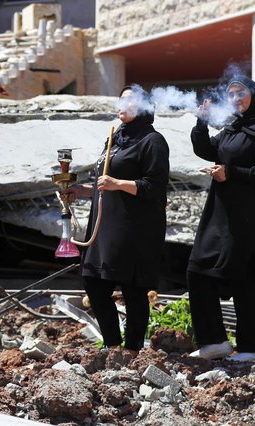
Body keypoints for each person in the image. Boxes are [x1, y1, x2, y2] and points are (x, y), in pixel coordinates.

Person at [187, 75, 255, 362]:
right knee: (198, 270)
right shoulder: (233, 128)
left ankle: (253, 348)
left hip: (248, 219)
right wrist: (202, 121)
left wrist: (230, 173)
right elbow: (207, 150)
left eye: (241, 93)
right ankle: (214, 342)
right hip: (221, 214)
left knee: (244, 278)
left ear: (254, 95)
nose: (236, 99)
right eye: (231, 94)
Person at [65, 85, 170, 351]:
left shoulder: (152, 141)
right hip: (105, 225)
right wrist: (84, 190)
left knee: (133, 289)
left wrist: (118, 183)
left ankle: (132, 349)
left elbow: (154, 187)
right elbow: (106, 184)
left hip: (134, 227)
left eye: (130, 100)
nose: (122, 104)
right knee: (94, 282)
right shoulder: (116, 137)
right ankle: (113, 345)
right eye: (121, 99)